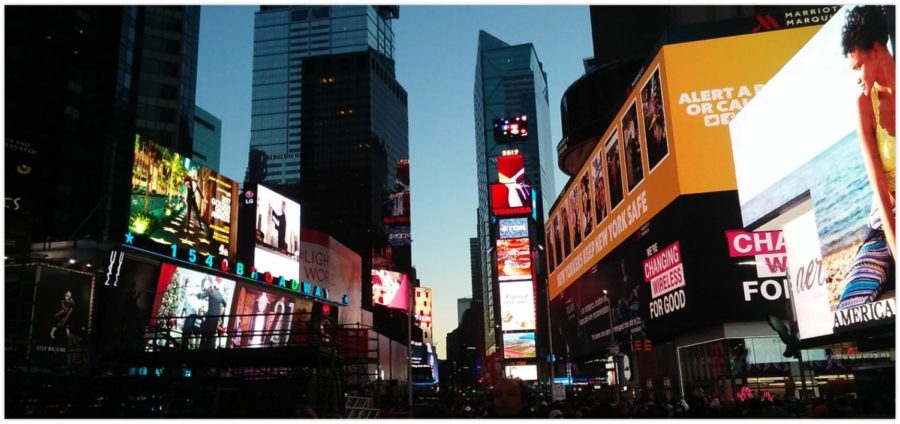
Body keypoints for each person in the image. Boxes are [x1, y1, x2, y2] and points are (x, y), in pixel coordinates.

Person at [838, 6, 896, 310]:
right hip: (885, 223)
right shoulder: (864, 105)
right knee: (851, 307)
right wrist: (896, 249)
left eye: (858, 66)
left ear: (876, 50)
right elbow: (881, 195)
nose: (857, 79)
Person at [198, 277, 227, 349]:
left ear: (213, 284)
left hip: (209, 317)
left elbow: (201, 296)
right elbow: (225, 304)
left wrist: (196, 294)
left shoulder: (210, 290)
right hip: (215, 319)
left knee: (204, 337)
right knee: (210, 338)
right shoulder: (220, 295)